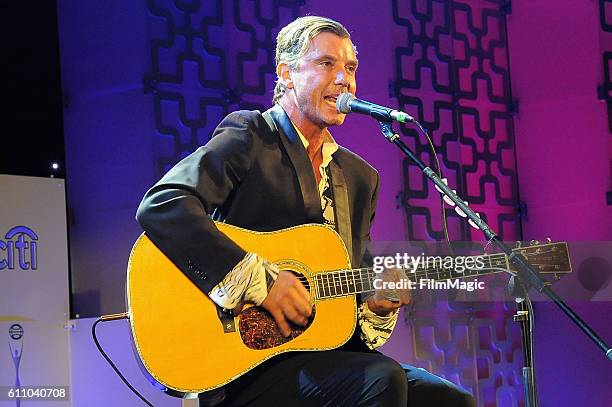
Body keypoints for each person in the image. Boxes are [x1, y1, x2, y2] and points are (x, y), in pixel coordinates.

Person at [136, 15, 475, 407]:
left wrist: (379, 308)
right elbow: (164, 204)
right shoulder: (251, 137)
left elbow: (352, 297)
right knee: (381, 380)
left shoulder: (359, 177)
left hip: (332, 356)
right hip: (250, 362)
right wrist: (260, 280)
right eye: (327, 64)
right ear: (287, 73)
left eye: (350, 67)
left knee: (450, 401)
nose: (344, 79)